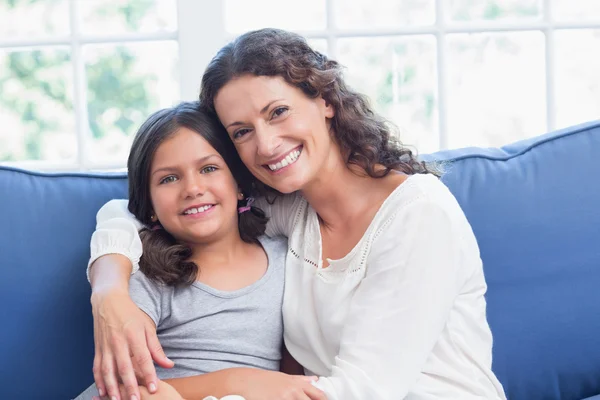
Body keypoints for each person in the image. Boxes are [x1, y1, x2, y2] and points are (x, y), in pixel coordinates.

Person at [87, 28, 507, 400]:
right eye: (242, 132)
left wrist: (231, 387)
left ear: (324, 100)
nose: (267, 145)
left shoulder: (419, 215)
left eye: (278, 112)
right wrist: (109, 290)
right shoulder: (290, 208)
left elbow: (363, 392)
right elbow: (127, 213)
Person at [78, 101, 324, 400]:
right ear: (150, 205)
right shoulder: (148, 274)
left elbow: (292, 372)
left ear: (239, 185)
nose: (192, 188)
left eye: (209, 168)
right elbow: (123, 388)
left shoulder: (289, 259)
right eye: (169, 178)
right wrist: (238, 381)